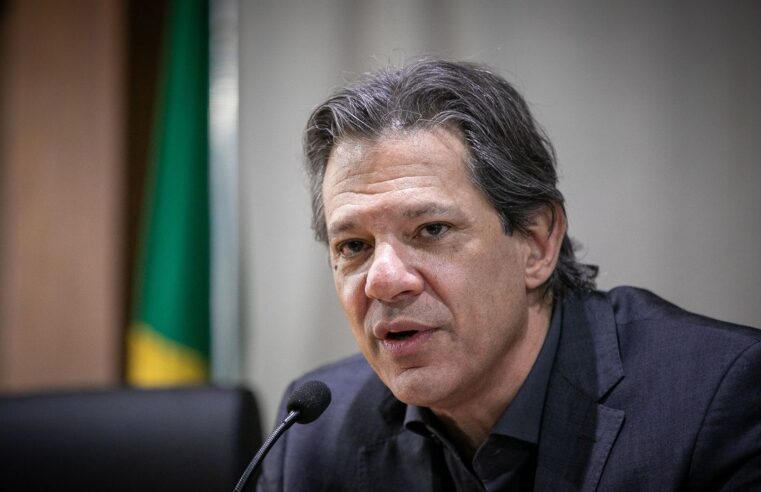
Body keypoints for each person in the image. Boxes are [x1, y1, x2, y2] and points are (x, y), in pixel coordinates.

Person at [257, 59, 761, 491]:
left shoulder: (715, 401)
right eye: (354, 246)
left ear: (537, 243)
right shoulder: (310, 437)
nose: (383, 281)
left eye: (432, 230)